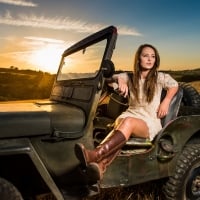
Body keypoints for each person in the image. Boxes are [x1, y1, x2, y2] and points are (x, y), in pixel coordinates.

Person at [74, 44, 179, 182]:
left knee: (126, 123)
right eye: (145, 56)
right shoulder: (130, 76)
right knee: (121, 123)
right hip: (130, 114)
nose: (149, 59)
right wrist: (121, 80)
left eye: (153, 56)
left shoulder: (159, 77)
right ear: (138, 59)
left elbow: (174, 85)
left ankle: (95, 155)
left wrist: (166, 101)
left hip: (149, 120)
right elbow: (110, 79)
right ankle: (101, 165)